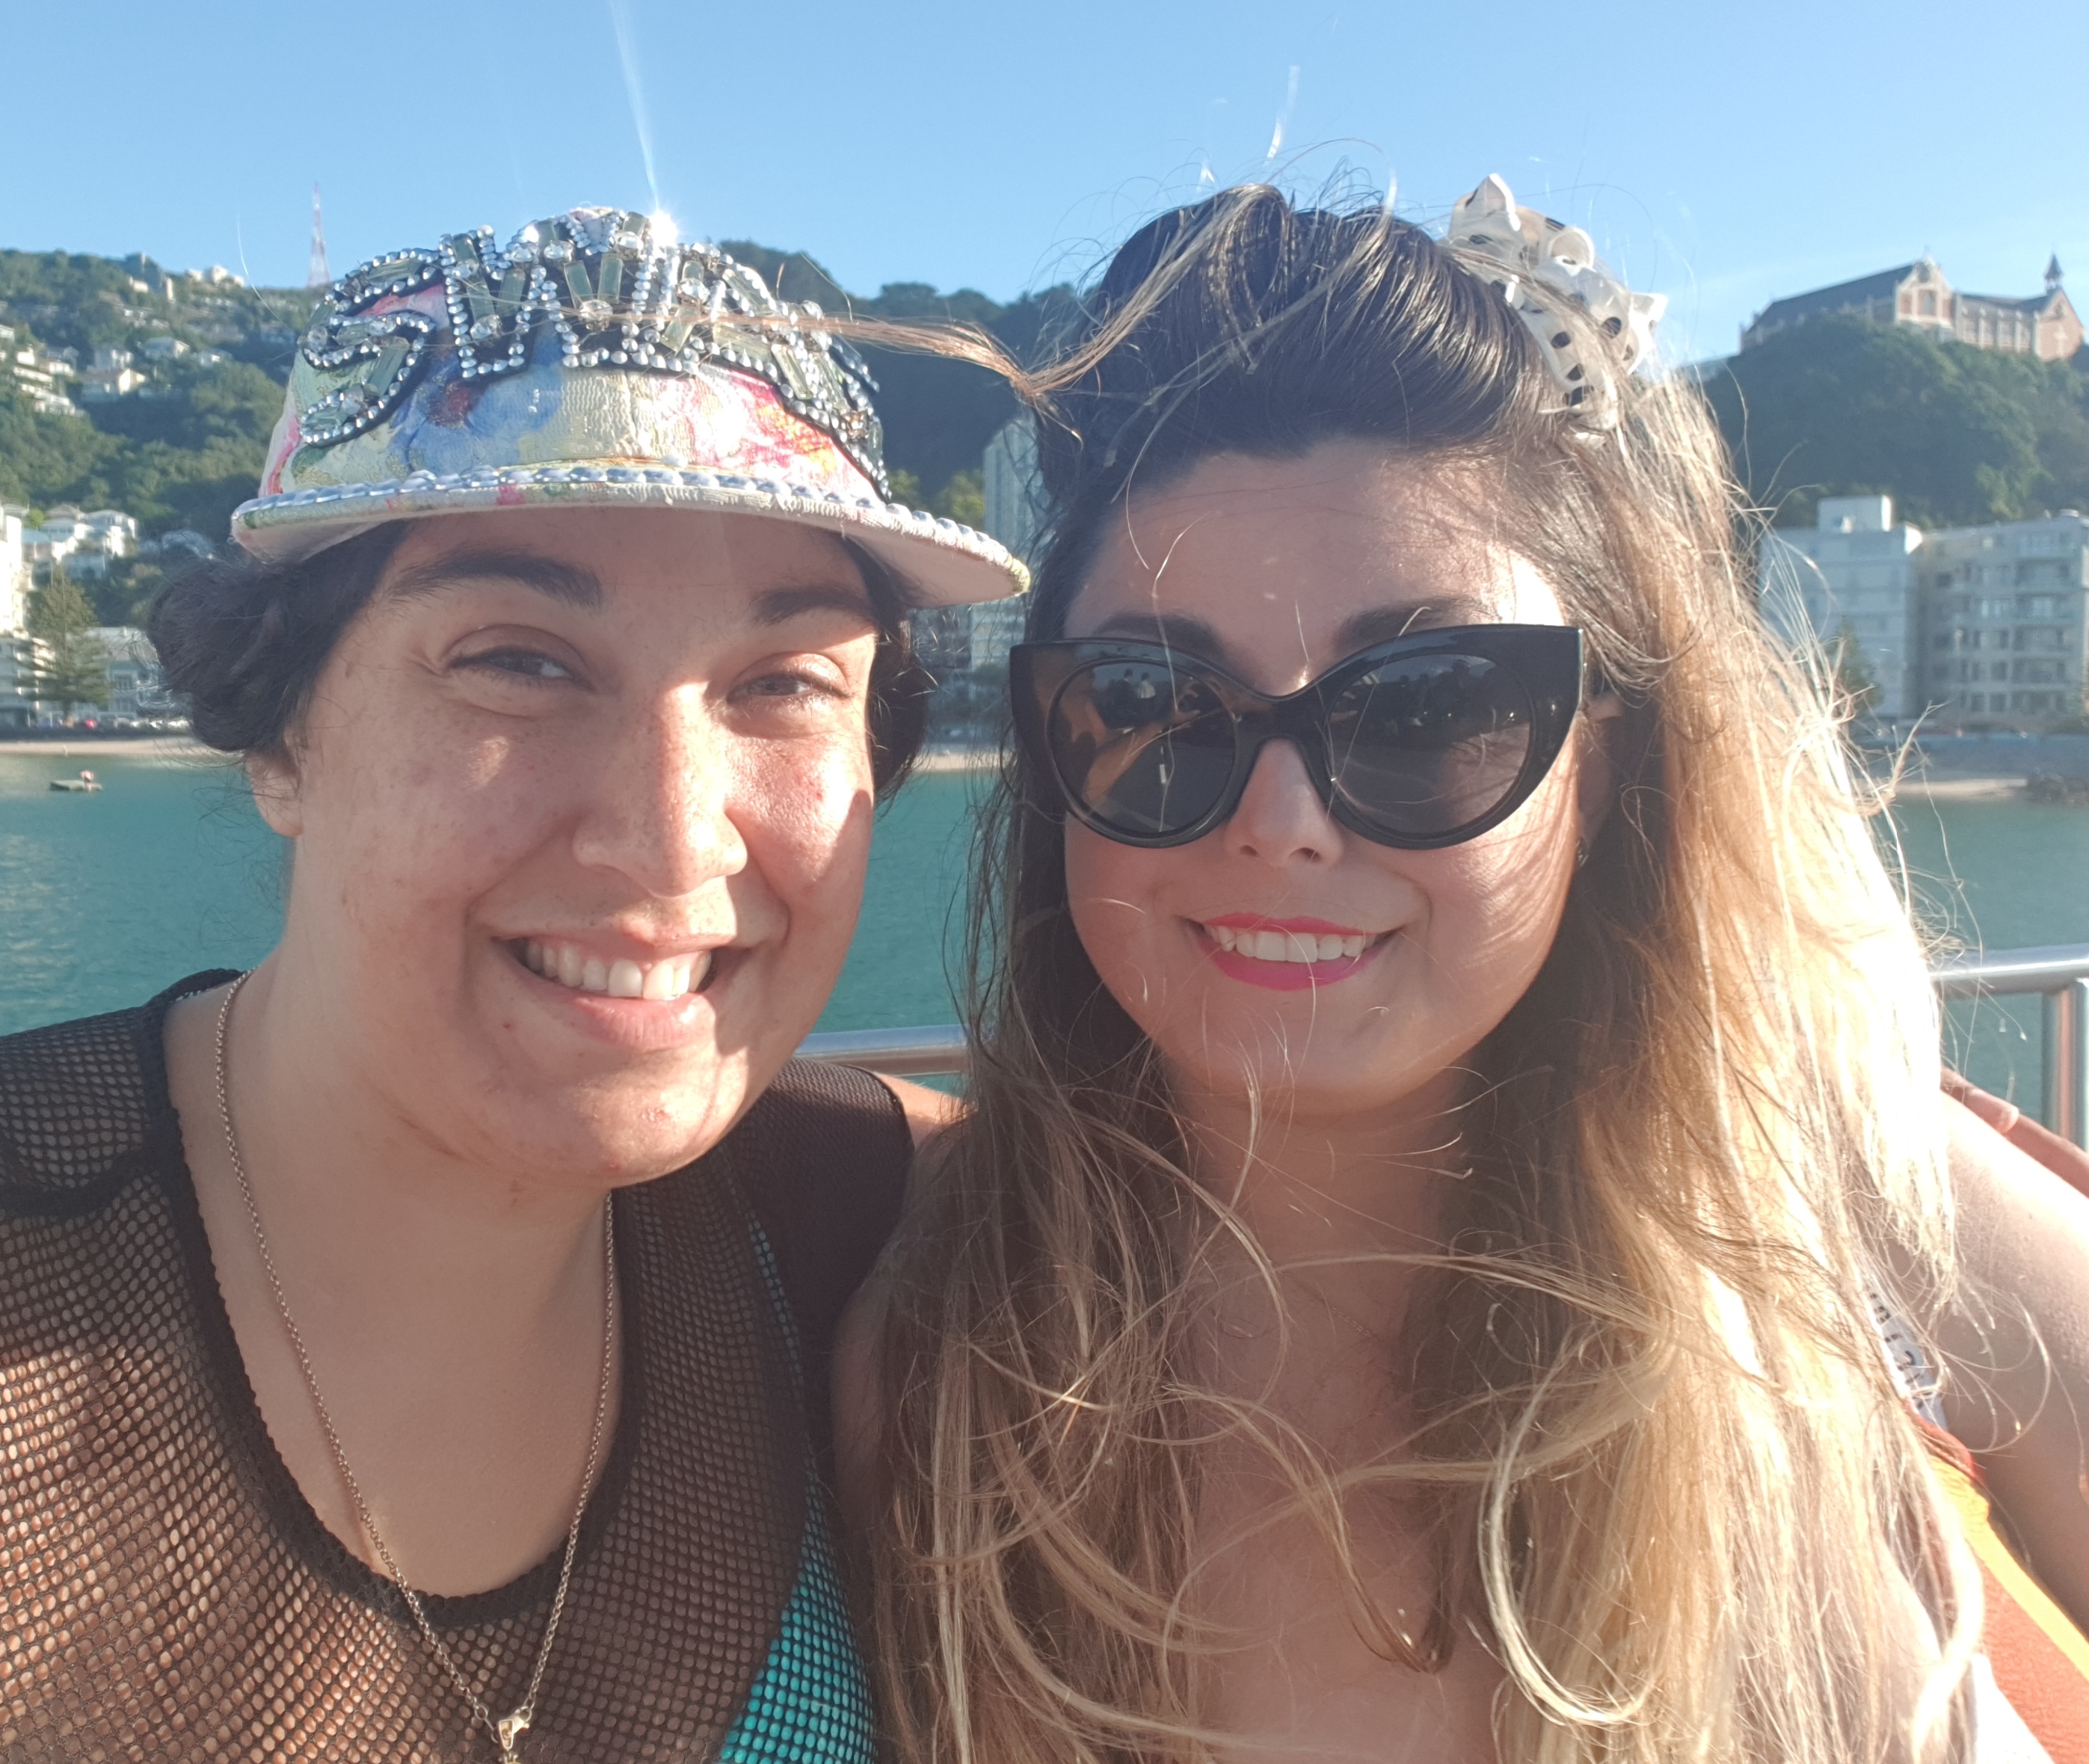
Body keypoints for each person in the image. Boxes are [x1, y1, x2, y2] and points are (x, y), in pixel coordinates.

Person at [0, 206, 1024, 1762]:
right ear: (281, 730)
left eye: (782, 685)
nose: (664, 837)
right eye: (520, 659)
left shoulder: (884, 1224)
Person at [846, 180, 2089, 1762]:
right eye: (1156, 703)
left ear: (1610, 771)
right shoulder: (933, 1378)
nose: (1281, 823)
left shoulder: (1813, 1301)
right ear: (1048, 749)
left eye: (1427, 707)